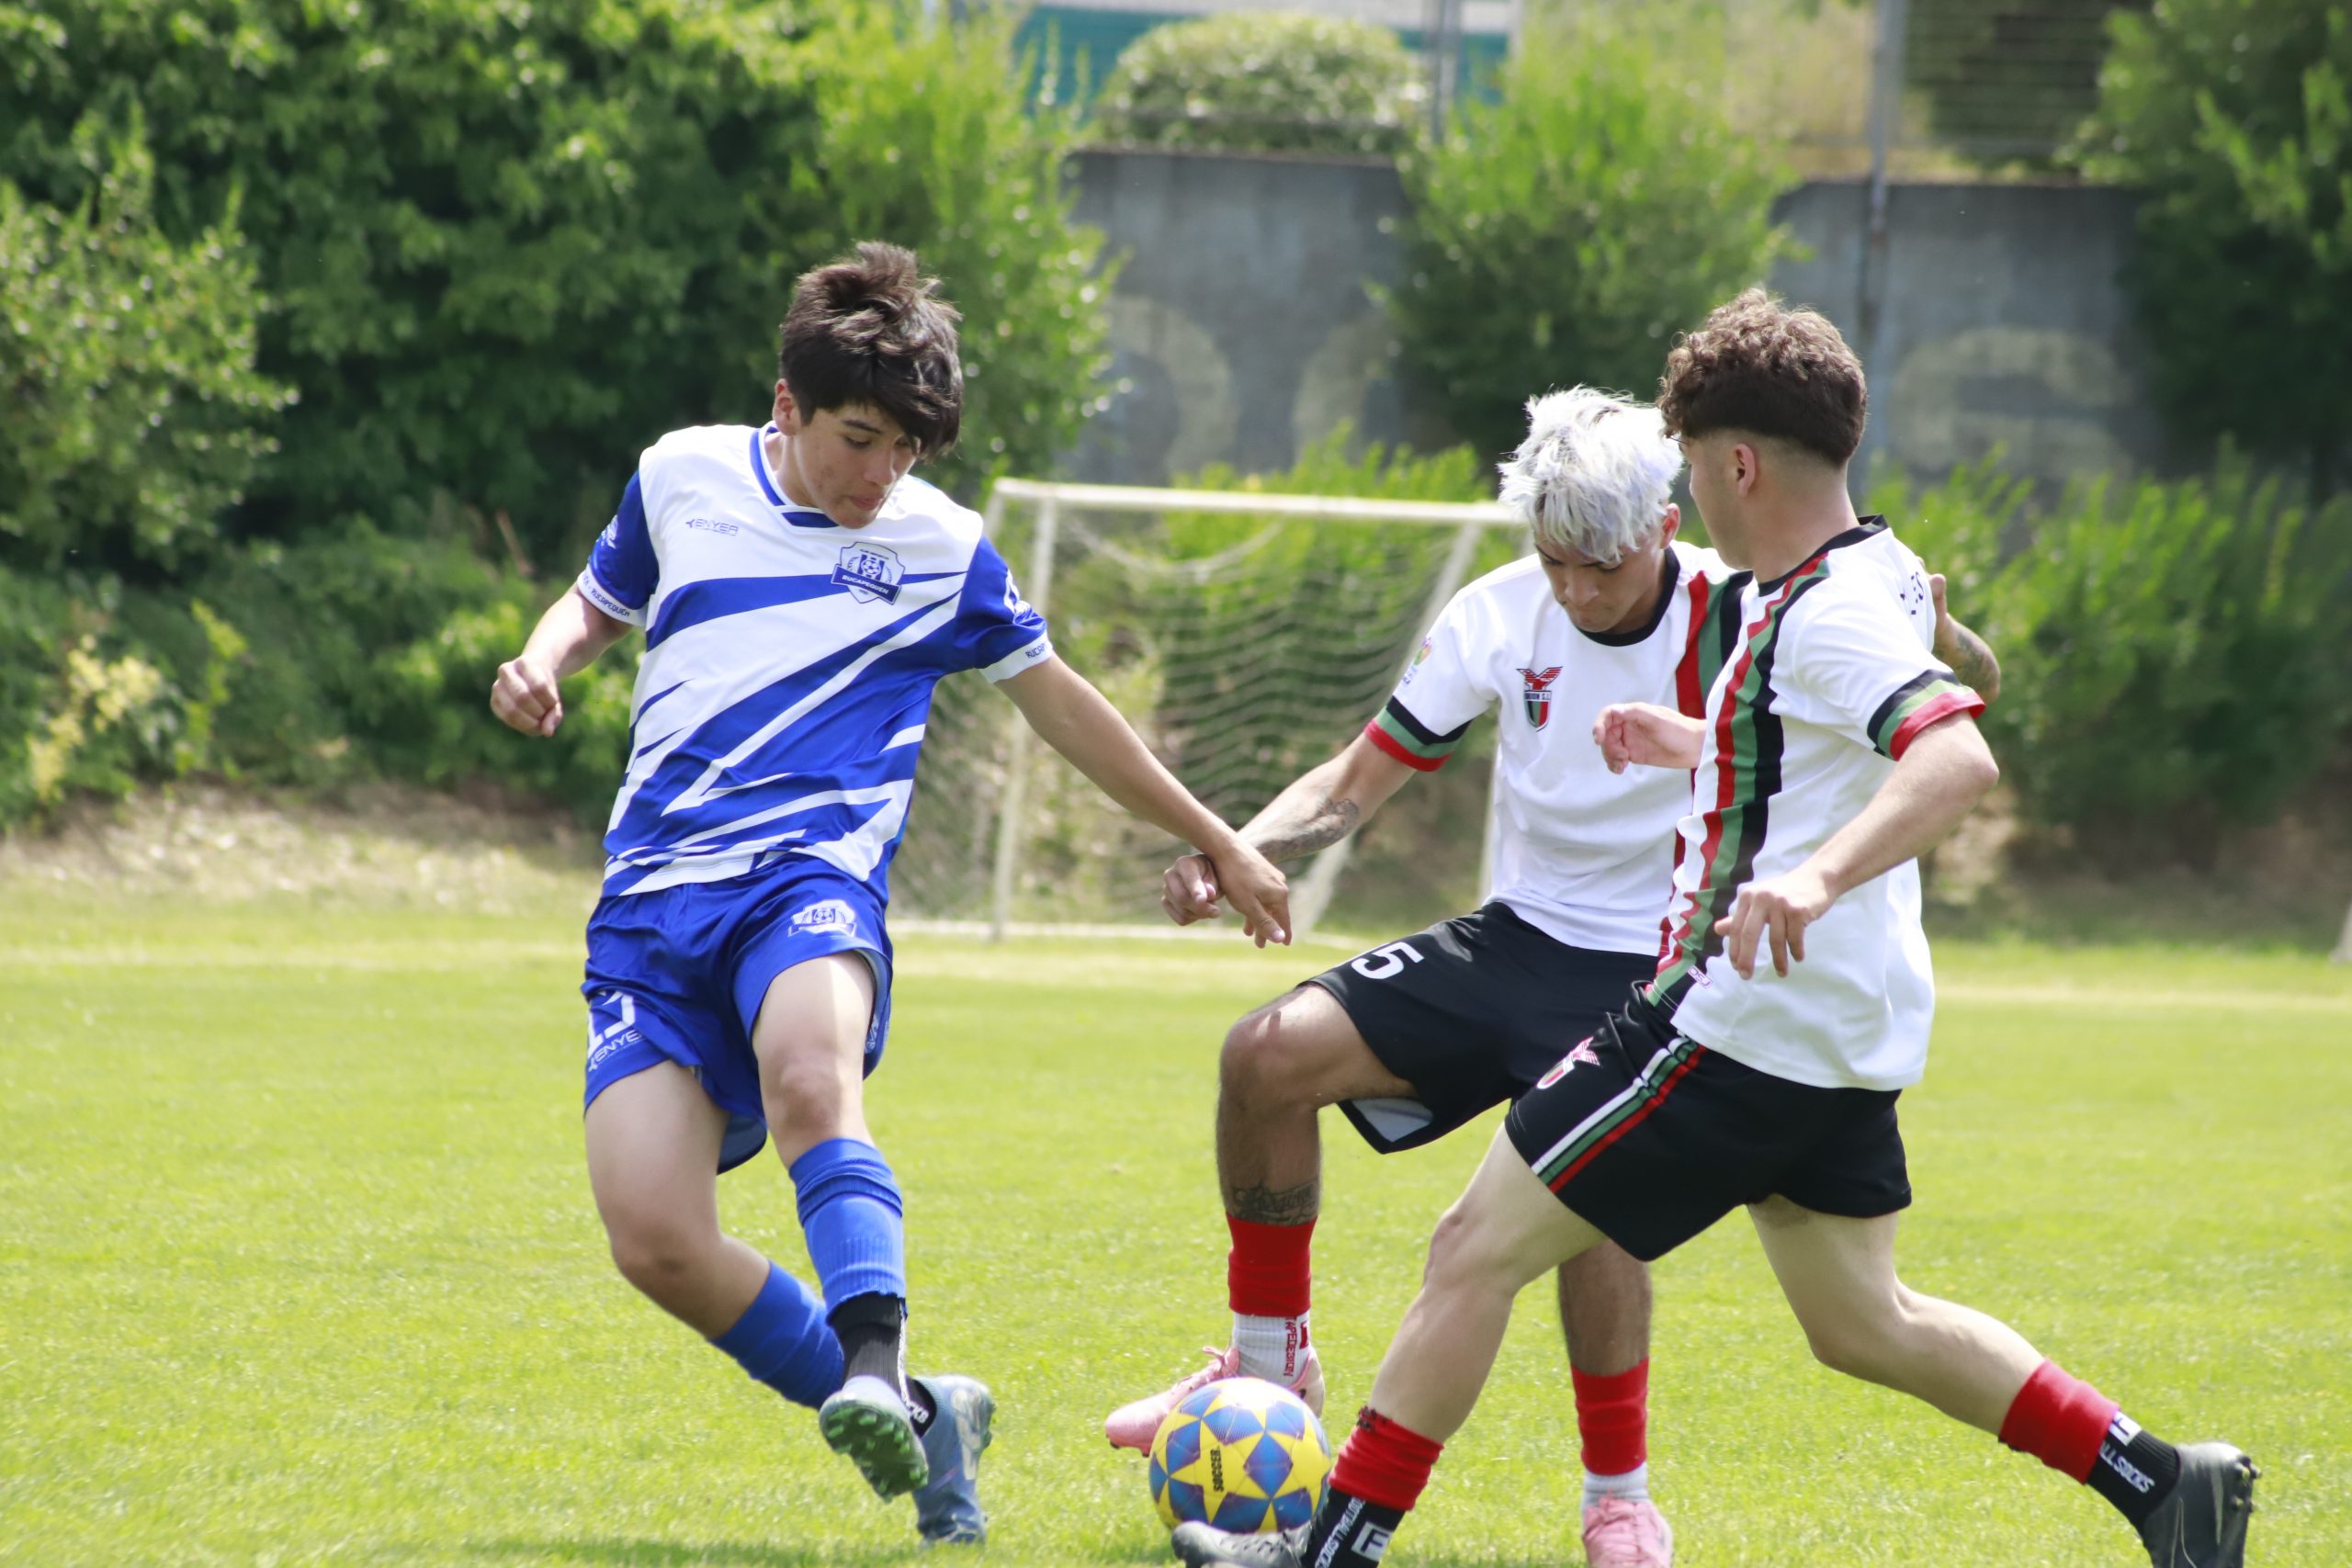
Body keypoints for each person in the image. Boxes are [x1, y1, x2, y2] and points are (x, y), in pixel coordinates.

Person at [1167, 290, 2256, 1568]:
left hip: (1731, 1020)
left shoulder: (1819, 608)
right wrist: (1743, 734)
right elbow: (1883, 710)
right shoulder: (1869, 568)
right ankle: (2163, 1480)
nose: (1684, 492)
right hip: (1842, 1034)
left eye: (1688, 466)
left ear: (1735, 466)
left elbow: (1957, 756)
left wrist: (1813, 879)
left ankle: (1333, 1551)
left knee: (1472, 1250)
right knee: (1865, 1323)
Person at [1107, 385, 1997, 1568]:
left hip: (1660, 966)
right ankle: (1269, 1385)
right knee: (1266, 1056)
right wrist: (1239, 851)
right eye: (1555, 561)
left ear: (1665, 525)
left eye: (1601, 567)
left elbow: (1960, 693)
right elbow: (1356, 780)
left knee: (1592, 1200)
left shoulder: (1752, 606)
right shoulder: (1498, 613)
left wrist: (1946, 634)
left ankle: (1617, 1497)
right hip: (1517, 937)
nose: (1576, 590)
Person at [490, 241, 1290, 1547]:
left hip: (807, 881)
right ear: (788, 406)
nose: (882, 475)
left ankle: (872, 1358)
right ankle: (926, 1416)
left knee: (811, 1078)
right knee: (654, 1237)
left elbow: (1065, 708)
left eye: (907, 451)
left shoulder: (939, 547)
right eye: (860, 440)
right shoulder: (680, 474)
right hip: (651, 904)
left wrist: (1219, 837)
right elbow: (597, 602)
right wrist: (540, 660)